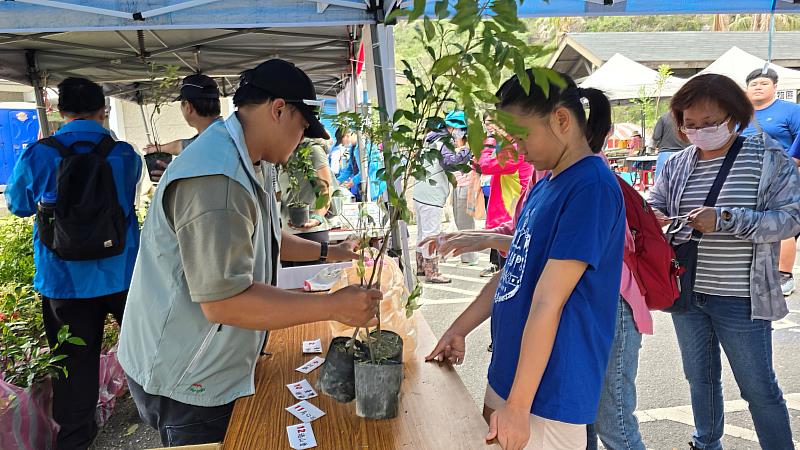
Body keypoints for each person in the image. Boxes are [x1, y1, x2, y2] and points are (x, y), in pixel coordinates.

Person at [117, 59, 381, 447]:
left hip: (212, 355)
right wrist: (332, 306)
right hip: (186, 376)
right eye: (303, 125)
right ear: (278, 110)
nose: (303, 136)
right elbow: (224, 303)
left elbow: (268, 235)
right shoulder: (217, 179)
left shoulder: (251, 158)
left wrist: (331, 251)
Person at [427, 71, 625, 450]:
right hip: (511, 373)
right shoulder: (547, 184)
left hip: (549, 391)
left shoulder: (591, 188)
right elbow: (513, 273)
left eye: (522, 136)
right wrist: (459, 327)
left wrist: (518, 406)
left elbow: (550, 300)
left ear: (562, 120)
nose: (517, 148)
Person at [650, 73, 800, 450]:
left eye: (710, 123)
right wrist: (654, 218)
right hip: (686, 291)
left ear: (734, 116)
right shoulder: (678, 163)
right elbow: (656, 203)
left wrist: (727, 219)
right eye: (690, 124)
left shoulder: (767, 159)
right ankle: (705, 443)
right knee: (699, 379)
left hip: (742, 299)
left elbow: (791, 218)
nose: (699, 131)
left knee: (759, 388)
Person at [5, 77, 142, 450]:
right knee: (141, 347)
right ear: (103, 109)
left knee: (73, 363)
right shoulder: (125, 155)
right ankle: (157, 417)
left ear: (59, 110)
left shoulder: (38, 154)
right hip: (121, 273)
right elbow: (126, 205)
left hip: (63, 280)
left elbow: (17, 205)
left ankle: (76, 440)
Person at [741, 68, 800, 296]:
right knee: (750, 221)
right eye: (753, 83)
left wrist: (792, 161)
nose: (758, 87)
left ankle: (784, 275)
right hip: (748, 176)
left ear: (775, 87)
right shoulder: (740, 114)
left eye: (764, 83)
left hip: (782, 175)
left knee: (783, 224)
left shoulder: (791, 110)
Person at [413, 115, 473, 283]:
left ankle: (421, 268)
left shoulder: (430, 139)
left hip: (420, 192)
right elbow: (450, 162)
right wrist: (466, 151)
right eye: (461, 129)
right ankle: (432, 272)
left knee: (422, 233)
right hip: (431, 195)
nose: (462, 133)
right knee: (431, 234)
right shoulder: (443, 141)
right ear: (453, 127)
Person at [478, 115, 533, 277]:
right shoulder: (509, 147)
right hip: (508, 216)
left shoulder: (515, 149)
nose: (492, 127)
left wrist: (489, 142)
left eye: (495, 123)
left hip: (508, 216)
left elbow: (486, 165)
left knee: (509, 276)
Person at [144, 74, 224, 182]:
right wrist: (158, 149)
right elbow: (182, 146)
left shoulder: (209, 142)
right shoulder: (218, 133)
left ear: (188, 106)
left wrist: (174, 177)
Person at [278, 137, 335, 266]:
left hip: (311, 234)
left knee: (312, 284)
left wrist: (317, 218)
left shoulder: (313, 150)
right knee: (290, 285)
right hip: (287, 235)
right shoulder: (283, 154)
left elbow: (326, 189)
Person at [446, 110, 480, 266]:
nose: (452, 131)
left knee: (466, 223)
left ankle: (470, 257)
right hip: (457, 187)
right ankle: (466, 256)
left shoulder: (468, 148)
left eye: (453, 127)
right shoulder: (455, 148)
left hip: (465, 187)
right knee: (460, 222)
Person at [652, 112, 688, 181]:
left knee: (660, 183)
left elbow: (656, 136)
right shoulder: (688, 117)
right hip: (685, 154)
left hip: (665, 154)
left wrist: (653, 147)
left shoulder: (663, 118)